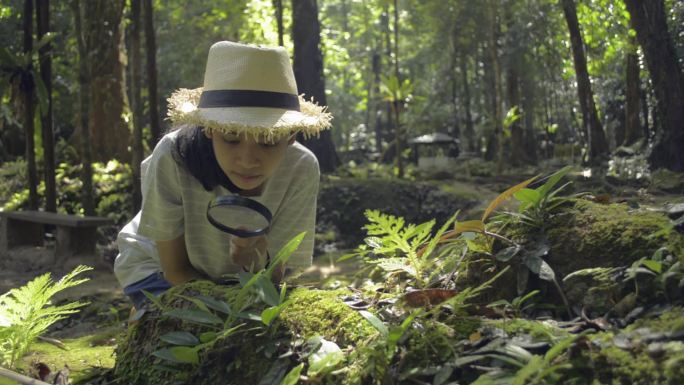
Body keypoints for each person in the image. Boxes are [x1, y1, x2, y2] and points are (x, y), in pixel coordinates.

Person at [114, 41, 332, 309]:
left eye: (267, 141)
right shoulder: (172, 156)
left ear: (290, 137)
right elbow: (175, 270)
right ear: (209, 129)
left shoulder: (301, 169)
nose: (247, 160)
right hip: (156, 271)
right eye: (231, 139)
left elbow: (274, 277)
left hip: (229, 281)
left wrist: (256, 261)